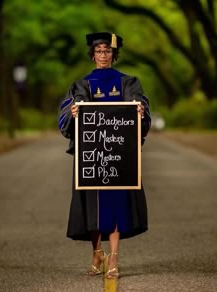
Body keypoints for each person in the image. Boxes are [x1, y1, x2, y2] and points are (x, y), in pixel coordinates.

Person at [59, 32, 151, 279]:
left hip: (119, 158)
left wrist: (139, 111)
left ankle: (114, 258)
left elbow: (138, 107)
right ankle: (97, 252)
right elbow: (65, 117)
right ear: (92, 55)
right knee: (92, 208)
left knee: (117, 207)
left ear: (114, 54)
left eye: (107, 51)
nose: (103, 55)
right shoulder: (81, 85)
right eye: (98, 51)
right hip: (91, 157)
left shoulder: (129, 83)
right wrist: (74, 112)